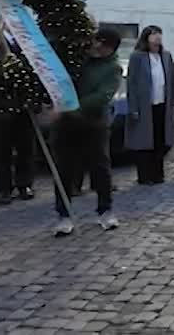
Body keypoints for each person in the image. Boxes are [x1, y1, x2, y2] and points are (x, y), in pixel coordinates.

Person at [51, 28, 124, 236]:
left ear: (111, 48)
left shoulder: (112, 68)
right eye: (96, 41)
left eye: (104, 44)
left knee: (100, 168)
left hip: (93, 125)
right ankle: (63, 214)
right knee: (64, 169)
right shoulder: (78, 59)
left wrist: (70, 107)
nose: (97, 46)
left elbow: (101, 97)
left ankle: (105, 210)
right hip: (66, 125)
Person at [125, 25, 174, 185]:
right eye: (154, 34)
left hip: (162, 104)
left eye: (159, 34)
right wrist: (133, 107)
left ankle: (158, 173)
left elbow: (172, 81)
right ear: (146, 37)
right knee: (145, 142)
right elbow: (131, 84)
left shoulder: (166, 56)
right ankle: (144, 175)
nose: (157, 38)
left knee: (160, 140)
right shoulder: (137, 57)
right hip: (144, 106)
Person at [0, 32, 36, 204]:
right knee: (0, 151)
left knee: (25, 148)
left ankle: (24, 184)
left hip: (21, 108)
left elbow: (33, 74)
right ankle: (4, 188)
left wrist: (31, 100)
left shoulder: (24, 41)